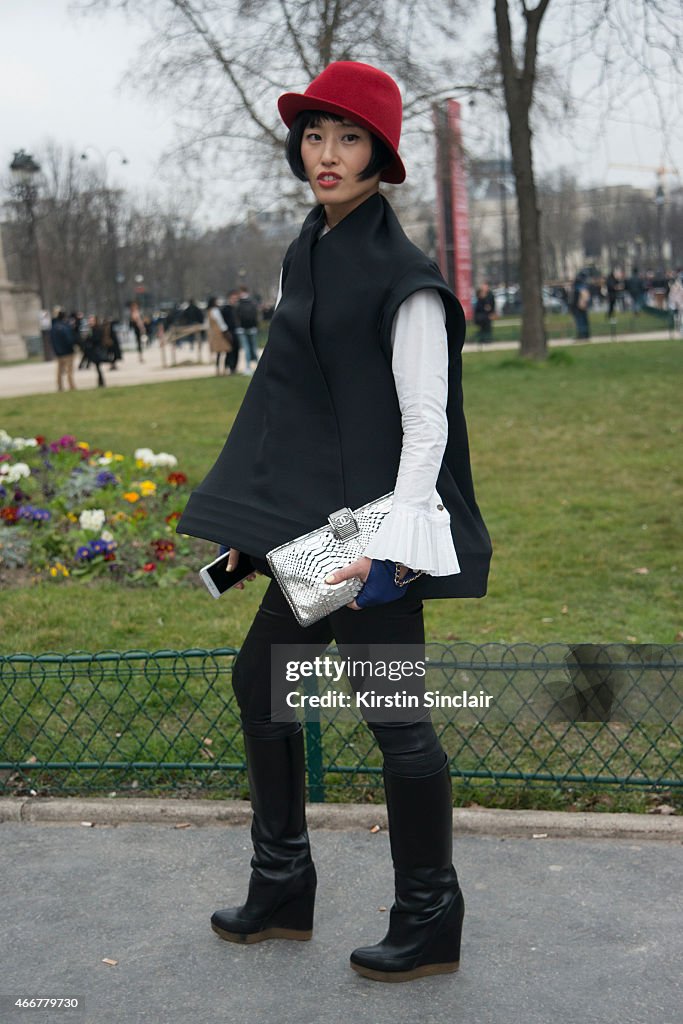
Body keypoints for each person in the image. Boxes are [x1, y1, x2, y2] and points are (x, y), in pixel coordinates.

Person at [176, 61, 491, 983]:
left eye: (348, 138)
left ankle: (429, 914)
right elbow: (294, 402)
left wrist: (389, 553)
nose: (327, 154)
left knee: (393, 717)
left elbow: (426, 424)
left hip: (375, 538)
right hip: (314, 535)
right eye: (315, 135)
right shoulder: (307, 247)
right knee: (260, 686)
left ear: (381, 156)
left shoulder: (406, 278)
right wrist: (257, 530)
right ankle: (282, 888)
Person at [50, 309, 77, 391]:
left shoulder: (53, 327)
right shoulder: (65, 326)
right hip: (68, 352)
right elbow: (69, 339)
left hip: (58, 353)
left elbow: (52, 340)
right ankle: (71, 386)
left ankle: (60, 386)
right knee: (69, 371)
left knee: (59, 371)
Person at [235, 285, 260, 373]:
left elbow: (236, 316)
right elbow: (256, 315)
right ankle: (259, 366)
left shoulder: (239, 303)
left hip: (242, 328)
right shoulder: (252, 302)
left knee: (247, 349)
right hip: (252, 328)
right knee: (254, 347)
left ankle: (248, 367)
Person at [206, 296, 233, 375]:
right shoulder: (215, 311)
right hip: (220, 333)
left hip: (214, 333)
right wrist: (226, 331)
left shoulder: (209, 311)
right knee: (226, 350)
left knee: (219, 352)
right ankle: (225, 368)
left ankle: (218, 369)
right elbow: (221, 322)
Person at [220, 290, 241, 375]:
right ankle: (228, 366)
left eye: (235, 298)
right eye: (233, 298)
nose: (234, 300)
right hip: (229, 332)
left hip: (236, 331)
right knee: (229, 351)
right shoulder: (225, 309)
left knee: (236, 350)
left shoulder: (237, 308)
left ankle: (234, 368)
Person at [570, 272, 591, 339]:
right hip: (579, 305)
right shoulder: (582, 283)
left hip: (579, 305)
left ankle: (582, 335)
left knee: (580, 321)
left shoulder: (578, 284)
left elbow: (585, 294)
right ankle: (585, 334)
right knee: (583, 320)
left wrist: (582, 302)